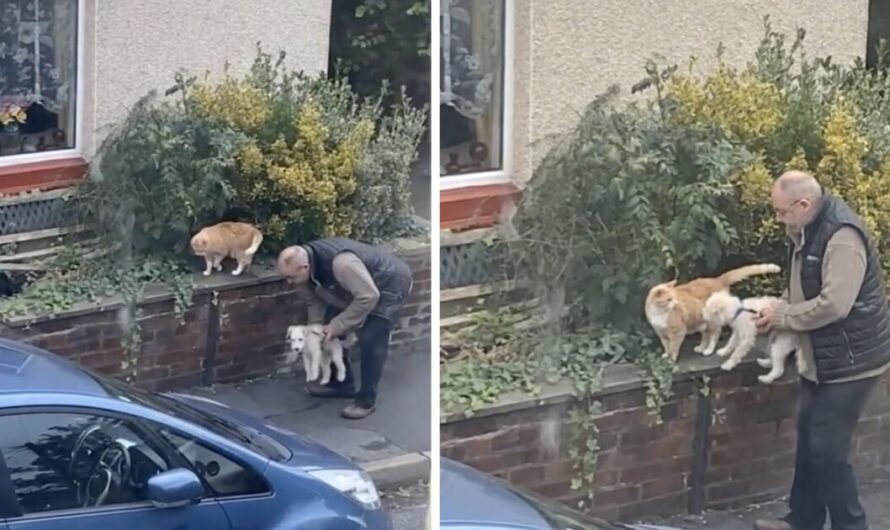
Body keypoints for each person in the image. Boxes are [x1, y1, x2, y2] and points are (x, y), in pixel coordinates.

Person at [752, 170, 890, 530]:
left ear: (804, 204)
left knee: (828, 451)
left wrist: (784, 315)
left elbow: (834, 305)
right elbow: (803, 286)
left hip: (852, 360)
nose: (778, 218)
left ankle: (851, 526)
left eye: (782, 211)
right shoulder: (805, 230)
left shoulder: (842, 236)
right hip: (822, 356)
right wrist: (778, 306)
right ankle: (803, 521)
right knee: (808, 438)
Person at [276, 237, 413, 420]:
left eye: (291, 277)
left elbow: (368, 297)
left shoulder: (342, 264)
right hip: (360, 286)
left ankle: (366, 401)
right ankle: (341, 384)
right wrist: (316, 328)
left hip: (390, 283)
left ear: (304, 268)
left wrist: (338, 325)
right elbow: (314, 301)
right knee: (326, 330)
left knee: (372, 339)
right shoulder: (307, 269)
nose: (289, 282)